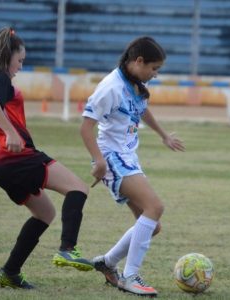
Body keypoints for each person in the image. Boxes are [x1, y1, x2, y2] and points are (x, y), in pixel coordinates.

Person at [0, 27, 94, 289]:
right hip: (14, 158)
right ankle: (68, 249)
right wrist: (9, 133)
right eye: (19, 60)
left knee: (45, 213)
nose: (20, 66)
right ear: (6, 55)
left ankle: (10, 272)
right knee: (78, 188)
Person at [80, 36, 185, 297]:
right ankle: (129, 277)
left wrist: (163, 135)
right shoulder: (110, 87)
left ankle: (107, 262)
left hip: (127, 157)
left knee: (152, 225)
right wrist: (99, 160)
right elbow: (85, 127)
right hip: (112, 157)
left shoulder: (135, 83)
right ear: (138, 61)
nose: (156, 74)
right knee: (155, 207)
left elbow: (141, 110)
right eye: (154, 68)